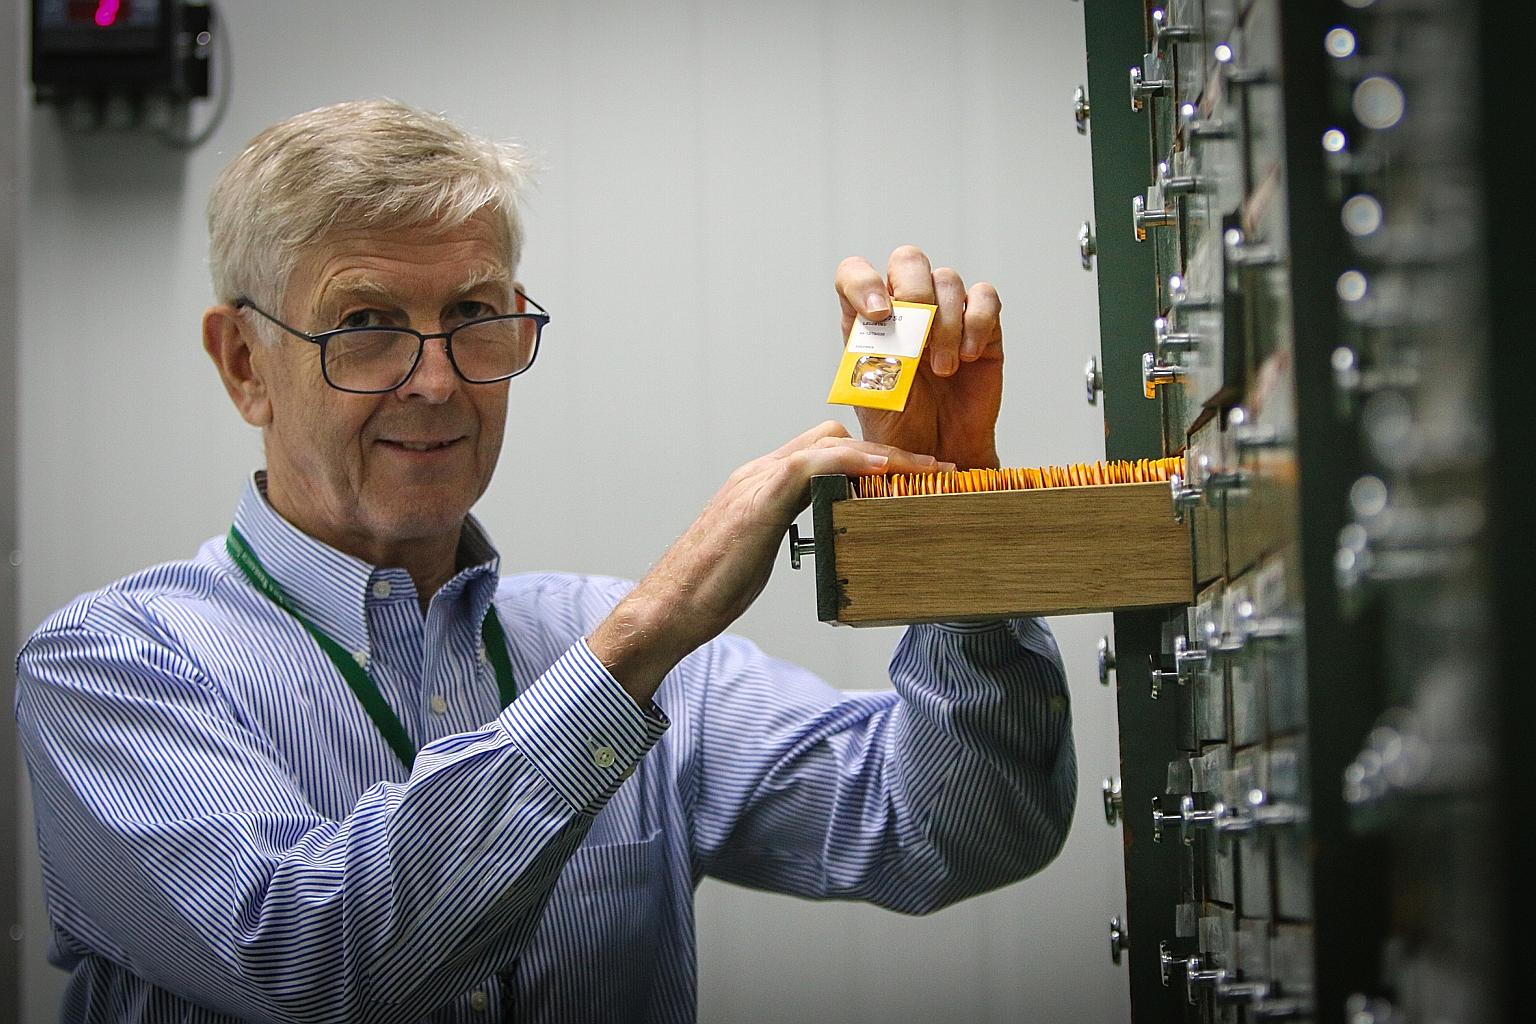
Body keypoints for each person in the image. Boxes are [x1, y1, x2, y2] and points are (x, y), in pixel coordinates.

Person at [15, 99, 1076, 1024]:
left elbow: (961, 828)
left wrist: (951, 511)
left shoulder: (608, 643)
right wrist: (640, 642)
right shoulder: (111, 665)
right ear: (245, 363)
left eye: (473, 314)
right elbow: (319, 964)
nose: (436, 382)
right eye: (367, 324)